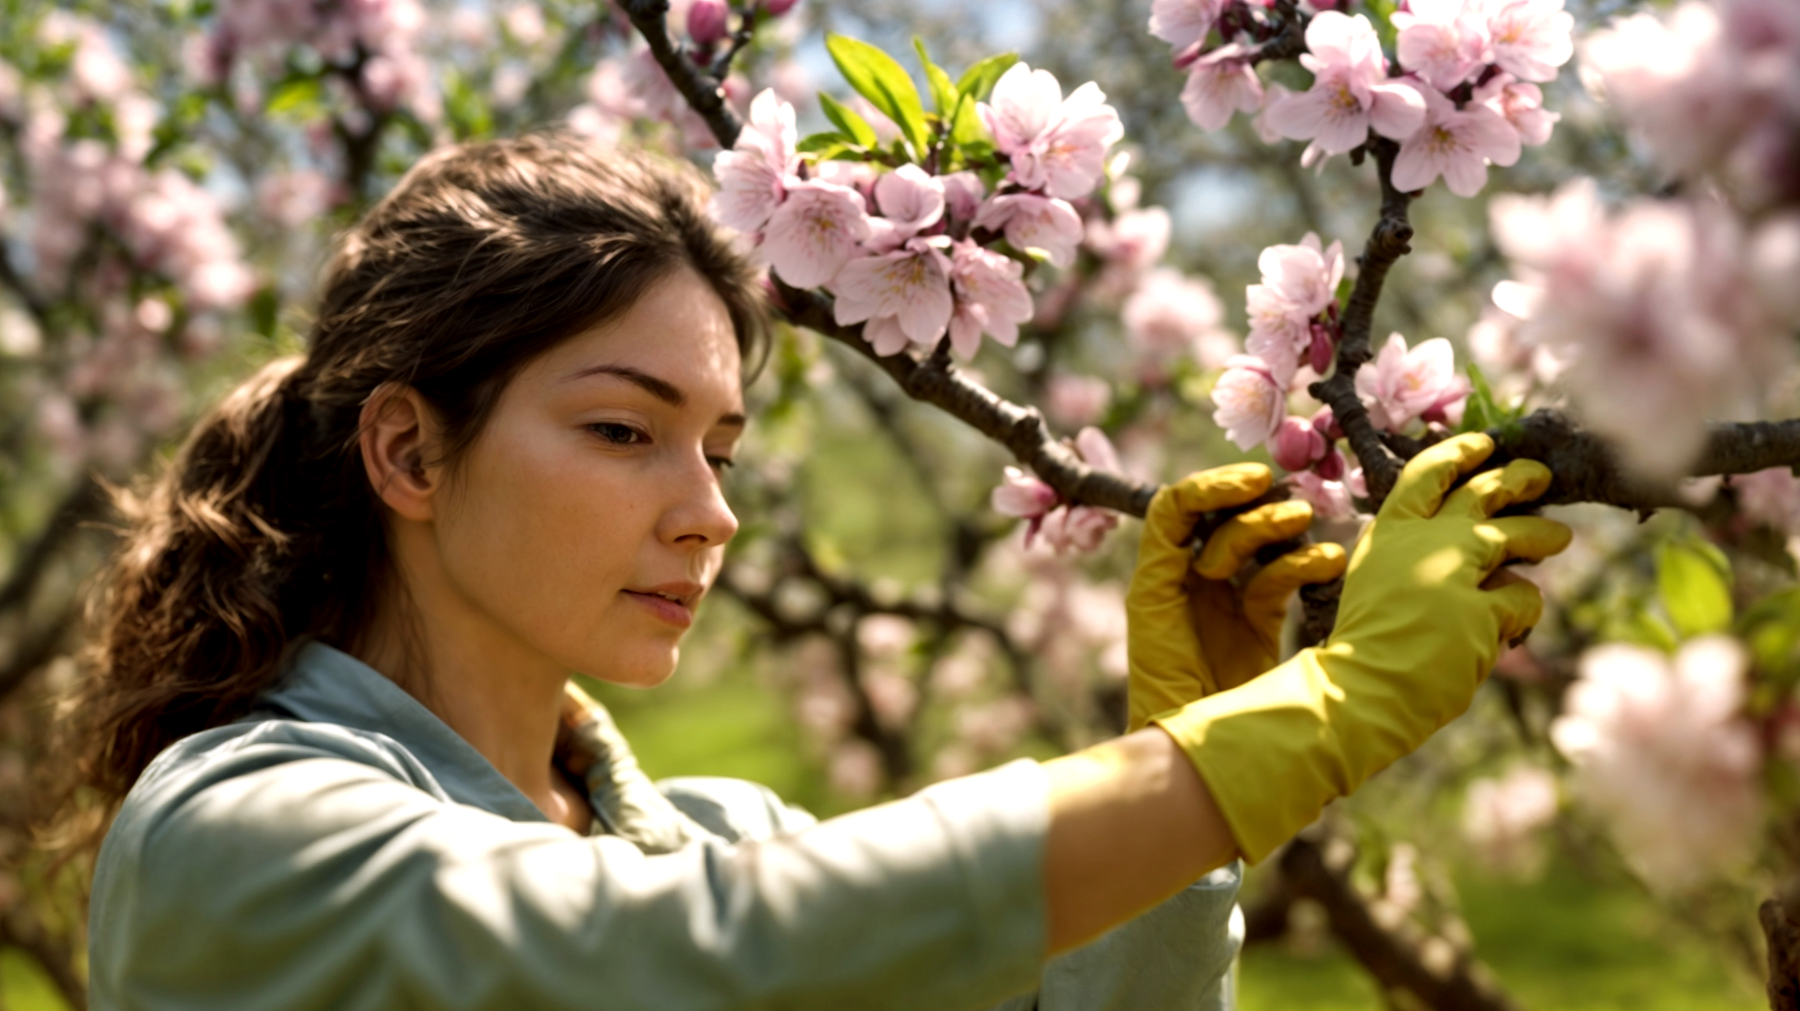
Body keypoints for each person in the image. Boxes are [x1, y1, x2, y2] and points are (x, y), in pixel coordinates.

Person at [53, 129, 1571, 1011]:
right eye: (622, 429)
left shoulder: (718, 833)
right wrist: (1306, 721)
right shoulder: (238, 835)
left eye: (720, 445)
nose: (707, 511)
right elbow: (679, 963)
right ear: (411, 454)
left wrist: (1182, 809)